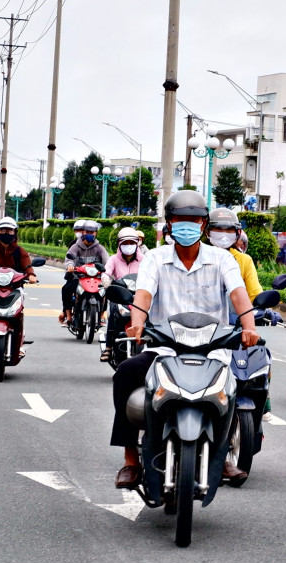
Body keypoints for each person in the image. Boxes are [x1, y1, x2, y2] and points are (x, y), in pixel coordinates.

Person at [111, 189, 259, 489]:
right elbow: (143, 294)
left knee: (233, 385)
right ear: (169, 224)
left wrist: (249, 327)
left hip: (212, 351)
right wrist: (137, 324)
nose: (187, 226)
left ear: (203, 225)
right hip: (164, 348)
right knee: (126, 373)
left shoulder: (222, 260)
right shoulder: (155, 258)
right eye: (180, 220)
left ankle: (223, 454)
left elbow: (239, 294)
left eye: (193, 220)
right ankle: (130, 460)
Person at [99, 227, 143, 363]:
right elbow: (106, 272)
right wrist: (106, 281)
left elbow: (152, 274)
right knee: (113, 314)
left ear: (137, 244)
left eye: (131, 243)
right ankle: (109, 347)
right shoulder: (113, 259)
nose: (128, 246)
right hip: (120, 296)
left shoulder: (145, 259)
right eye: (125, 243)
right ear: (119, 244)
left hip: (139, 297)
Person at [207, 208, 262, 303]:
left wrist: (263, 309)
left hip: (235, 315)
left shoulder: (244, 260)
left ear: (237, 233)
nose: (224, 234)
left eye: (229, 229)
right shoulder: (198, 255)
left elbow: (255, 294)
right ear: (207, 232)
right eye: (218, 229)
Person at [60, 220, 109, 324]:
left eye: (92, 232)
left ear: (96, 233)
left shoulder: (100, 248)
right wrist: (70, 265)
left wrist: (108, 270)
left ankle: (101, 315)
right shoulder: (75, 247)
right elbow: (69, 259)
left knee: (106, 289)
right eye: (87, 232)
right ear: (83, 232)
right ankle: (68, 315)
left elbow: (107, 261)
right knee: (66, 289)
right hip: (78, 277)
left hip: (96, 278)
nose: (89, 234)